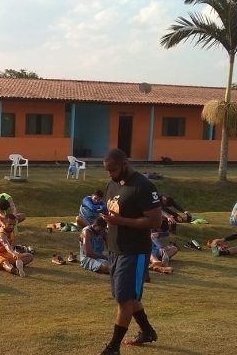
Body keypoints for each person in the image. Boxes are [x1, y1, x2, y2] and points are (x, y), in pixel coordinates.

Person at [100, 149, 162, 355]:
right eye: (108, 171)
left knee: (125, 300)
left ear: (125, 164)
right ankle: (147, 332)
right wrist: (98, 224)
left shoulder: (143, 186)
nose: (111, 174)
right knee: (124, 296)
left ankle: (113, 348)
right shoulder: (112, 184)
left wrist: (121, 221)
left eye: (114, 170)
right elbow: (111, 213)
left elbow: (155, 221)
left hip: (134, 251)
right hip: (115, 249)